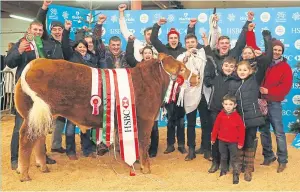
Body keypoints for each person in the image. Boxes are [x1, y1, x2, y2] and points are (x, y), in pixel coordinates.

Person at [5, 20, 56, 170]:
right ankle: (15, 158)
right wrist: (19, 51)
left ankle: (42, 156)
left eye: (40, 30)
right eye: (35, 29)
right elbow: (9, 62)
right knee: (20, 126)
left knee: (41, 124)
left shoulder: (45, 46)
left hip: (41, 92)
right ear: (29, 30)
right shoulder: (21, 43)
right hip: (24, 92)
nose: (38, 32)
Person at [61, 20, 99, 159]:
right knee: (71, 125)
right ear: (75, 48)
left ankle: (87, 149)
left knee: (86, 123)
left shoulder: (91, 59)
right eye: (80, 47)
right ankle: (70, 151)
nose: (82, 49)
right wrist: (66, 30)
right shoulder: (71, 56)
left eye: (84, 47)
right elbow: (65, 44)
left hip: (87, 96)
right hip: (72, 96)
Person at [150, 17, 187, 154]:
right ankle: (170, 144)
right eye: (171, 37)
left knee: (181, 119)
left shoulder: (184, 50)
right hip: (168, 91)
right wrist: (157, 25)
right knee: (170, 118)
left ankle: (182, 144)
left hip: (182, 91)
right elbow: (153, 39)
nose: (173, 39)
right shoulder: (164, 50)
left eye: (175, 37)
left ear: (178, 38)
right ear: (168, 39)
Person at [36, 0, 66, 154]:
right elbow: (39, 23)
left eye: (59, 29)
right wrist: (44, 8)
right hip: (47, 85)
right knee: (44, 117)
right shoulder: (47, 40)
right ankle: (42, 150)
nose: (57, 31)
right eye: (54, 29)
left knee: (61, 116)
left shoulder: (68, 42)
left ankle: (56, 144)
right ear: (51, 30)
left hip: (63, 84)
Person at [259, 39, 293, 173]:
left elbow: (285, 87)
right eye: (274, 49)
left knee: (279, 132)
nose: (277, 52)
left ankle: (282, 160)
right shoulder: (264, 63)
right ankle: (268, 156)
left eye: (280, 50)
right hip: (261, 102)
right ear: (270, 50)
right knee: (263, 131)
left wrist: (269, 92)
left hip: (274, 103)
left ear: (282, 52)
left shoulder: (285, 67)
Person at [228, 61, 265, 182]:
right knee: (239, 142)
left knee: (250, 142)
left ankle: (248, 168)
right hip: (238, 119)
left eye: (245, 70)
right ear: (236, 71)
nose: (242, 72)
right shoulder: (233, 83)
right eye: (240, 70)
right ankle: (238, 167)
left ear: (250, 71)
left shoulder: (254, 80)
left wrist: (260, 55)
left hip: (252, 118)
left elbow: (263, 64)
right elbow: (230, 100)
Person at [126, 35, 159, 157]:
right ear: (142, 55)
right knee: (140, 127)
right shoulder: (138, 65)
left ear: (152, 54)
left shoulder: (158, 67)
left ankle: (153, 149)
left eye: (149, 53)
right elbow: (129, 57)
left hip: (153, 102)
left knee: (153, 126)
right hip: (140, 103)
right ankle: (139, 149)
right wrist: (130, 42)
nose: (147, 55)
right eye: (145, 53)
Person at [211, 94, 245, 184]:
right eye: (226, 104)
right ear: (223, 104)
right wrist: (213, 138)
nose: (228, 106)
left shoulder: (237, 117)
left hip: (233, 142)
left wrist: (241, 142)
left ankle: (235, 174)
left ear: (235, 105)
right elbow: (216, 127)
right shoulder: (220, 115)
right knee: (223, 156)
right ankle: (223, 170)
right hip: (222, 141)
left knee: (234, 158)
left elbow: (242, 131)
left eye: (230, 104)